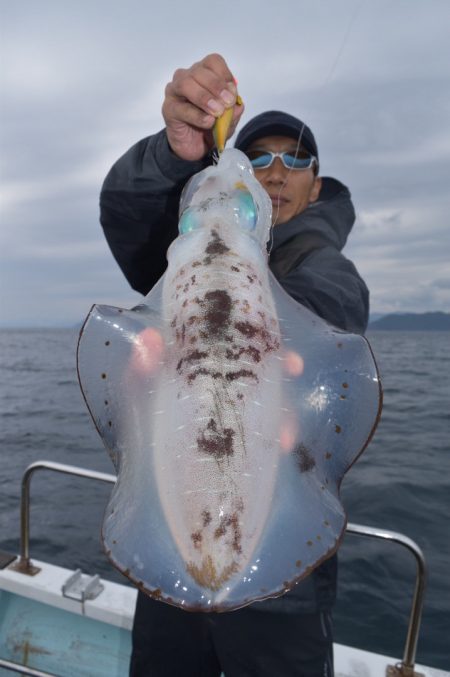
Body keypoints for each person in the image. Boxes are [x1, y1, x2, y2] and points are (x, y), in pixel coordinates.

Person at [100, 54, 369, 677]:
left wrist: (276, 359)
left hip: (285, 584)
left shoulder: (322, 268)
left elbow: (330, 310)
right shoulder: (183, 259)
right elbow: (126, 210)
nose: (277, 170)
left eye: (296, 158)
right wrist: (177, 156)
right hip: (174, 531)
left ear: (317, 186)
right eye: (262, 157)